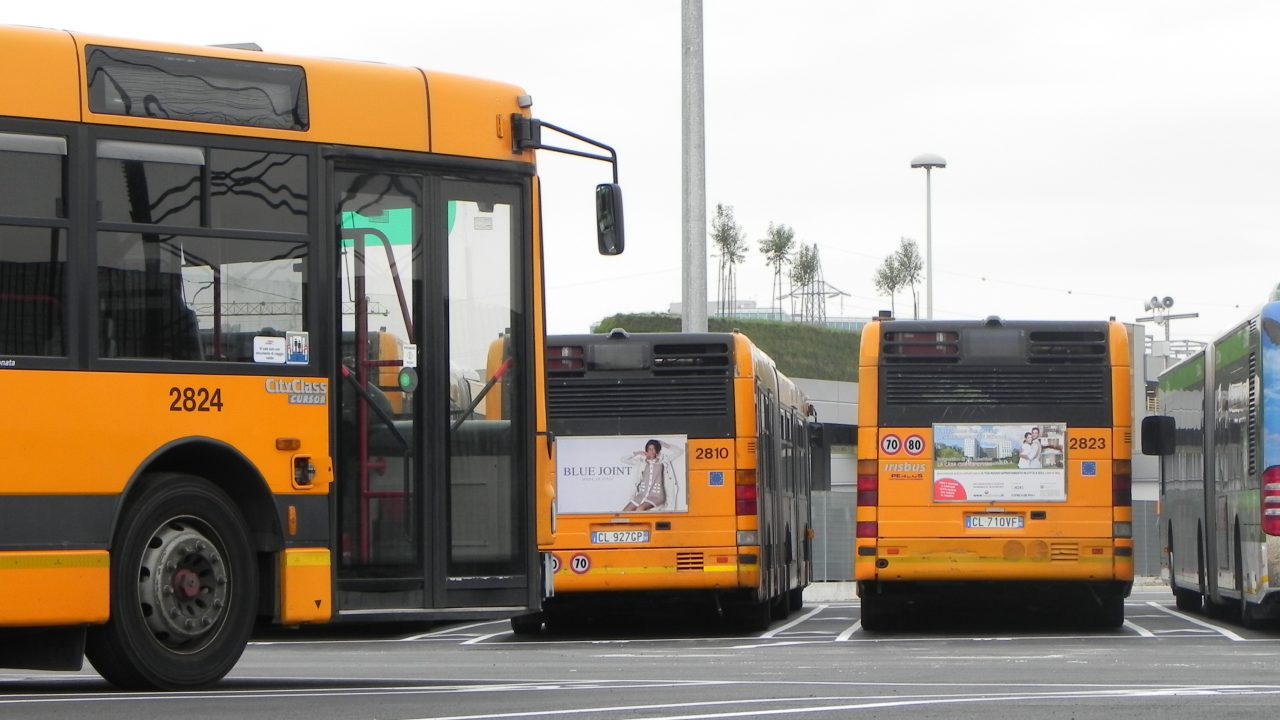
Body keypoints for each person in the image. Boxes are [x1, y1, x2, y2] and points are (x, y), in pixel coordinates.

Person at [621, 439, 684, 512]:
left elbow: (680, 451)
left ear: (657, 450)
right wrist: (637, 453)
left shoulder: (664, 461)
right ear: (646, 450)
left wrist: (665, 445)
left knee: (640, 509)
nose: (652, 451)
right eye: (649, 449)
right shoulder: (642, 462)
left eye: (654, 449)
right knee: (625, 512)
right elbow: (623, 459)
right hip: (641, 495)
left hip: (657, 496)